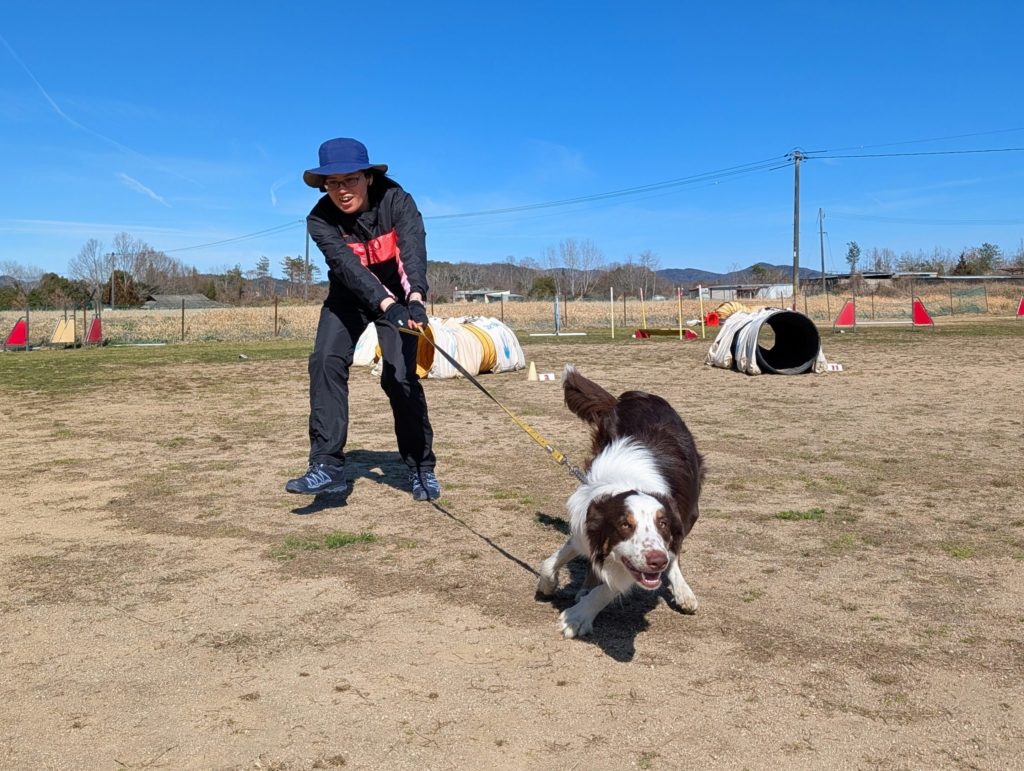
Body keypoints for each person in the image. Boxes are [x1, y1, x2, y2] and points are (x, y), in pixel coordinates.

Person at [285, 137, 441, 501]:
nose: (342, 190)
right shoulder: (319, 219)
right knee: (325, 360)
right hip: (348, 298)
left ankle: (421, 467)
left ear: (368, 177)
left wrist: (415, 299)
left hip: (401, 297)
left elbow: (412, 251)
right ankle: (326, 465)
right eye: (332, 183)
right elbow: (349, 268)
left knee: (400, 377)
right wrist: (386, 304)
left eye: (350, 180)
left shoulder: (397, 202)